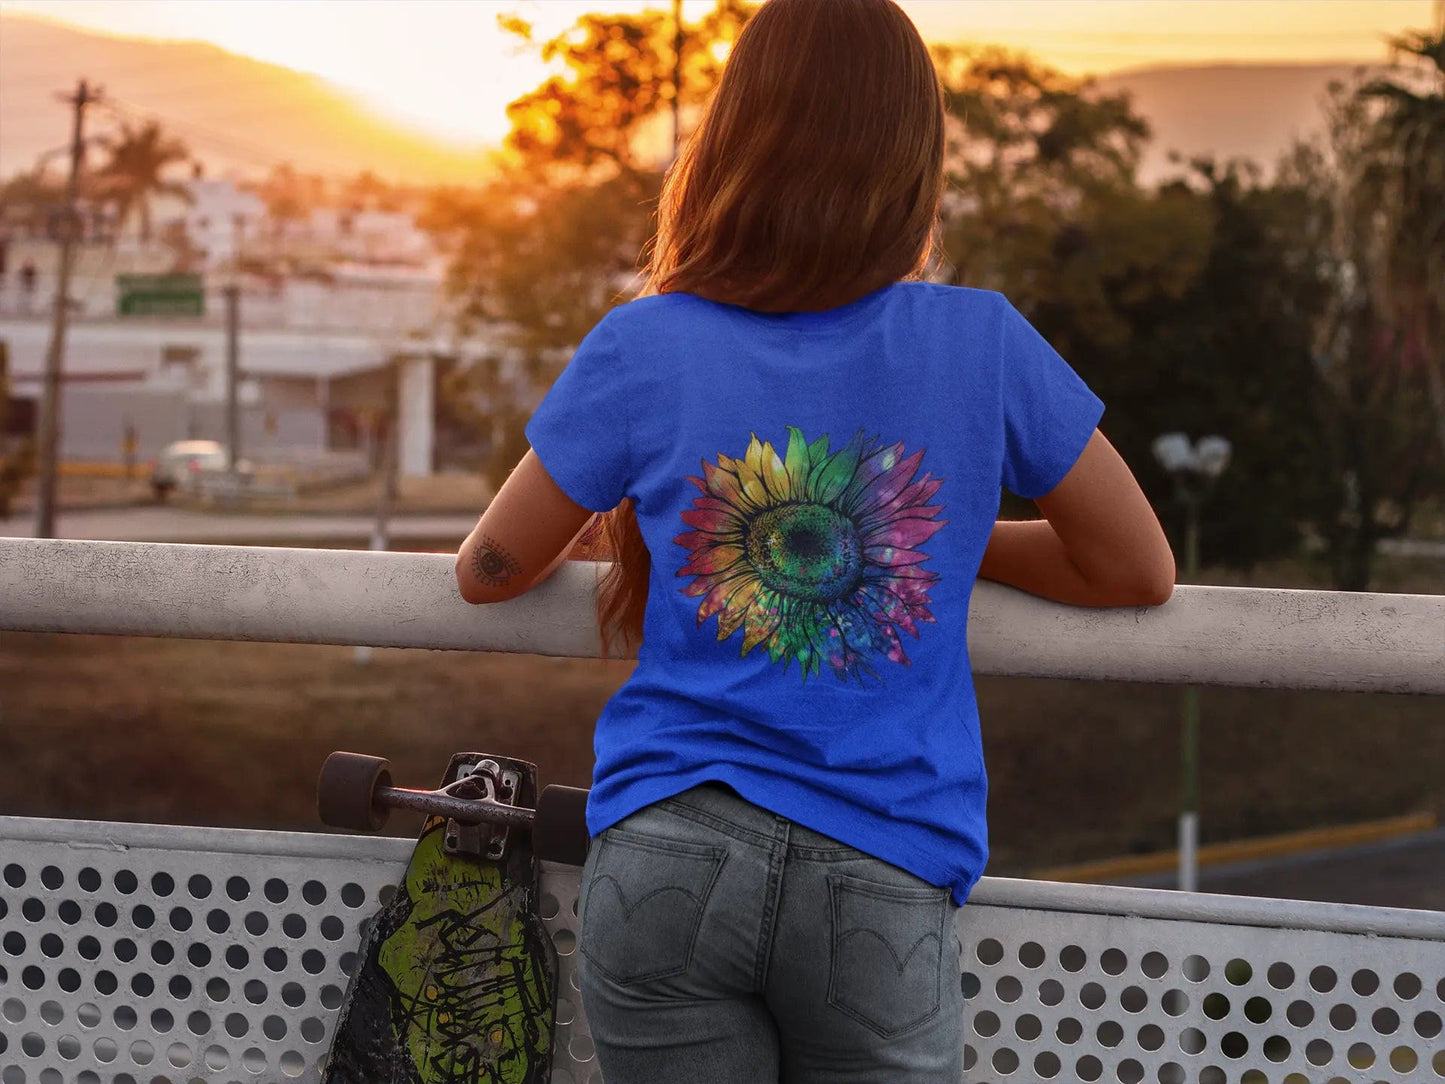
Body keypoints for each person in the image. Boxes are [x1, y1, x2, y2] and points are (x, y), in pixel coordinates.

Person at [454, 0, 1175, 1080]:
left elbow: (488, 570)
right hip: (880, 866)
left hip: (666, 855)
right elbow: (1134, 569)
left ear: (732, 145)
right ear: (911, 163)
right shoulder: (980, 341)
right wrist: (930, 543)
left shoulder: (647, 341)